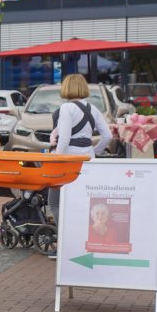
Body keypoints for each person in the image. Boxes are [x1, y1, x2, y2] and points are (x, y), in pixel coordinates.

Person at [47, 73, 111, 233]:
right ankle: (83, 237)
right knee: (84, 202)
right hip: (88, 161)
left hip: (67, 163)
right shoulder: (93, 108)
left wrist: (55, 161)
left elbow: (64, 139)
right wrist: (93, 152)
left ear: (66, 88)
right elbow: (108, 136)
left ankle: (64, 240)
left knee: (55, 203)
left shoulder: (66, 108)